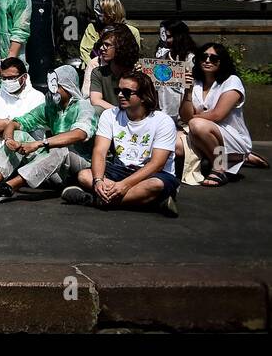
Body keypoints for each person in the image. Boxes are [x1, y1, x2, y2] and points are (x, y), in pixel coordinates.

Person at [0, 64, 96, 205]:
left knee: (59, 149)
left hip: (80, 165)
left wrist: (40, 143)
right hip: (55, 165)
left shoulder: (84, 106)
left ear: (68, 86)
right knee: (19, 135)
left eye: (56, 87)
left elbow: (80, 134)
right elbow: (17, 122)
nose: (52, 92)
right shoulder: (51, 107)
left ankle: (8, 188)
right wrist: (9, 138)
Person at [61, 69, 179, 217]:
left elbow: (157, 164)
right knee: (84, 175)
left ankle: (94, 200)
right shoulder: (109, 115)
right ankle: (150, 202)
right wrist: (98, 181)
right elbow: (99, 151)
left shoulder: (163, 121)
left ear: (143, 96)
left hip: (153, 174)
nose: (120, 95)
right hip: (120, 170)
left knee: (155, 185)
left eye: (127, 92)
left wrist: (124, 185)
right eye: (119, 90)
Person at [181, 43, 254, 186]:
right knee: (177, 142)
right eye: (204, 57)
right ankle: (231, 159)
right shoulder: (196, 83)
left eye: (214, 58)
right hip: (203, 132)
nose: (207, 61)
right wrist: (187, 92)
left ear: (222, 62)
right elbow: (185, 115)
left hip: (231, 135)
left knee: (196, 125)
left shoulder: (232, 81)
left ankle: (220, 167)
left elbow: (217, 115)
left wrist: (192, 118)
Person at [0, 57, 46, 165]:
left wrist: (8, 124)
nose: (8, 81)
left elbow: (37, 125)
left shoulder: (37, 97)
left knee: (17, 134)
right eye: (4, 78)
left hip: (26, 145)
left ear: (24, 77)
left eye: (12, 78)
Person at [87, 23, 140, 113]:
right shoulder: (98, 72)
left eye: (107, 45)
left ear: (121, 46)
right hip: (110, 117)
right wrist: (120, 113)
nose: (101, 48)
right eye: (102, 44)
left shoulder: (136, 72)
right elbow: (96, 100)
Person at [79, 0, 142, 69]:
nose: (96, 14)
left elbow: (134, 56)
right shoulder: (92, 28)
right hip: (96, 69)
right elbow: (85, 51)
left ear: (111, 13)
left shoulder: (132, 31)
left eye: (100, 11)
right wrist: (93, 69)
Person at [152, 19, 197, 119]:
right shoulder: (163, 57)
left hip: (181, 114)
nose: (166, 40)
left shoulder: (190, 59)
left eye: (169, 37)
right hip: (163, 112)